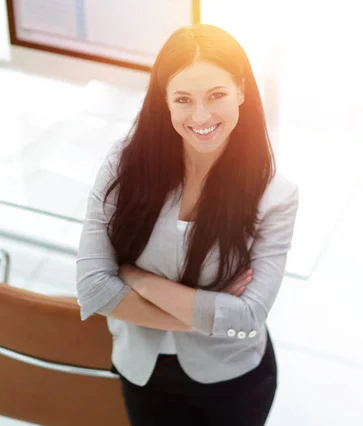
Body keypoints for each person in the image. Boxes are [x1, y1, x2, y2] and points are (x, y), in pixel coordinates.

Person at [76, 23, 299, 426]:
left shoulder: (275, 197)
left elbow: (248, 319)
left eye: (216, 95)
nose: (201, 116)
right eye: (183, 99)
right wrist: (211, 313)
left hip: (232, 380)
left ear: (242, 92)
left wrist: (137, 280)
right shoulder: (122, 165)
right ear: (165, 102)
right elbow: (93, 289)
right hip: (143, 372)